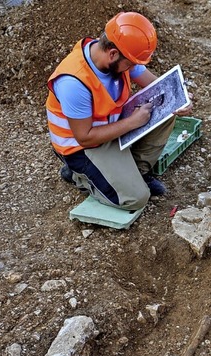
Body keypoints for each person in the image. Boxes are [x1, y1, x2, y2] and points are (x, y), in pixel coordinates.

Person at [46, 11, 193, 210]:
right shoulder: (74, 82)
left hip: (111, 128)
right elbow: (85, 137)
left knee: (166, 111)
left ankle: (134, 173)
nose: (133, 68)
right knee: (136, 199)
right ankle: (78, 175)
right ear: (113, 53)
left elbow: (158, 87)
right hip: (83, 148)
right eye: (131, 63)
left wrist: (179, 99)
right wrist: (132, 122)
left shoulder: (117, 54)